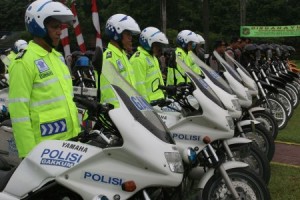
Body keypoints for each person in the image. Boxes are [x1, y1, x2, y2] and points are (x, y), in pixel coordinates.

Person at [8, 0, 80, 158]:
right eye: (55, 27)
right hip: (44, 150)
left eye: (60, 27)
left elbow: (66, 97)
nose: (60, 32)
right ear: (38, 26)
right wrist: (28, 154)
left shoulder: (57, 57)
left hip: (71, 141)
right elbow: (18, 111)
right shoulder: (23, 61)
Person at [98, 14, 140, 107]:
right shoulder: (108, 59)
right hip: (119, 115)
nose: (131, 38)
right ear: (117, 35)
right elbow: (110, 95)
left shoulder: (123, 56)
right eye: (128, 34)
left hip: (132, 111)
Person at [130, 27, 168, 103]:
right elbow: (139, 86)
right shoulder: (138, 59)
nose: (159, 48)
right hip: (150, 104)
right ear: (147, 43)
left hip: (159, 101)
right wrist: (146, 106)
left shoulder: (152, 57)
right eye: (157, 45)